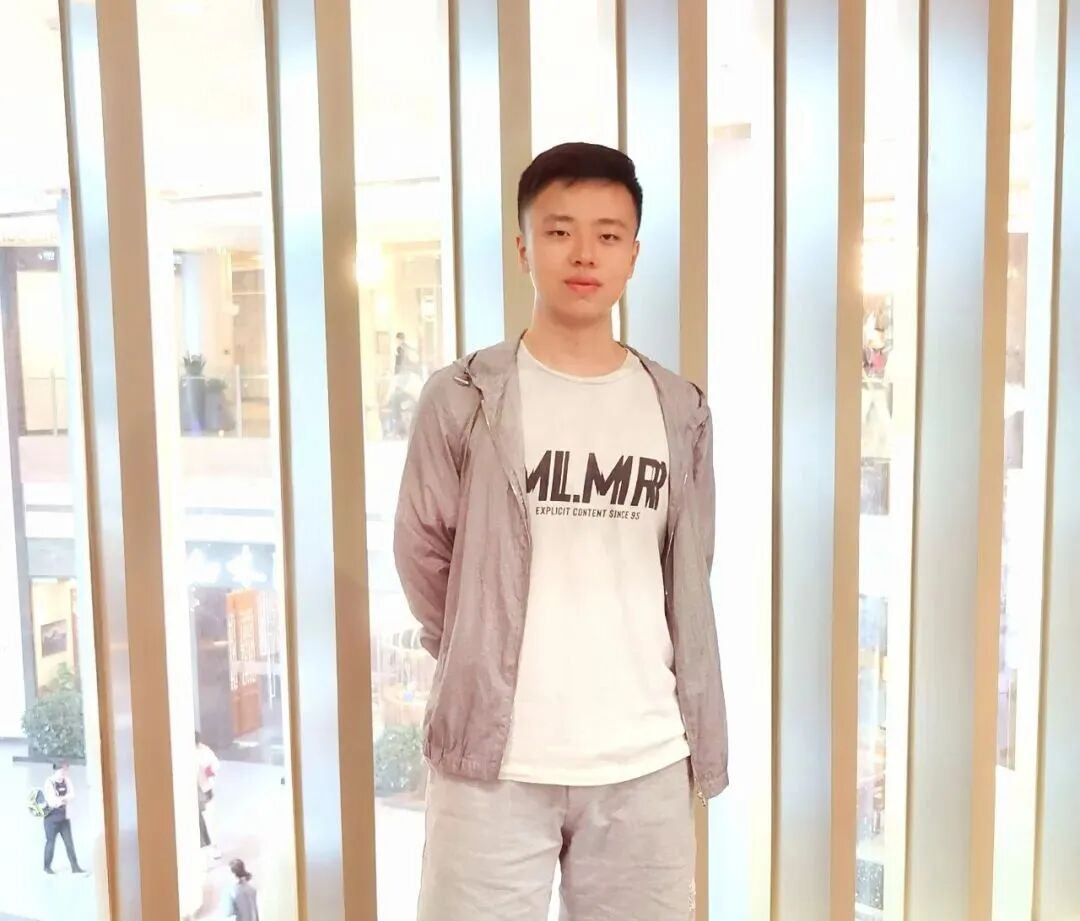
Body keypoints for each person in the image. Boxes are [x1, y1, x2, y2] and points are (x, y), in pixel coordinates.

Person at [394, 142, 728, 921]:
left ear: (633, 254)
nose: (585, 254)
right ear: (523, 248)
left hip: (645, 760)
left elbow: (688, 567)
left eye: (608, 234)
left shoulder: (679, 408)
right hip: (494, 764)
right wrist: (477, 643)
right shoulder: (463, 398)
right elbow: (423, 552)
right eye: (559, 231)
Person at [42, 762, 85, 875]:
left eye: (65, 771)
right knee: (50, 843)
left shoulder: (67, 780)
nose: (64, 773)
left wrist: (61, 799)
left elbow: (72, 795)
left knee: (69, 843)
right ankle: (47, 867)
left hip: (64, 818)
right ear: (56, 770)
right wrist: (64, 799)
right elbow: (52, 802)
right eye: (62, 771)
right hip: (51, 819)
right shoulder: (49, 782)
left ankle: (75, 867)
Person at [196, 731, 220, 855]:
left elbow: (215, 765)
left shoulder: (204, 751)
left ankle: (213, 847)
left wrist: (208, 770)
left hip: (204, 790)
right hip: (191, 790)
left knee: (209, 819)